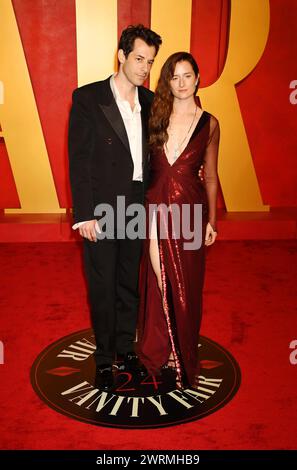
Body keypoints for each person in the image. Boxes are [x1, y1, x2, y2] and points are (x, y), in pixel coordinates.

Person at [68, 25, 162, 391]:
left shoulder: (152, 101)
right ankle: (105, 359)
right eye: (139, 59)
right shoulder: (88, 99)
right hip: (102, 210)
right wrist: (84, 214)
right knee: (103, 285)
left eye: (150, 62)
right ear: (121, 56)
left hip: (137, 205)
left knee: (129, 285)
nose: (144, 68)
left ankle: (127, 350)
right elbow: (79, 160)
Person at [137, 52, 219, 390]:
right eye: (175, 77)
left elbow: (212, 177)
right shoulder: (155, 115)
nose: (182, 83)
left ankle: (181, 349)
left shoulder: (210, 123)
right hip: (155, 205)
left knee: (189, 284)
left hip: (190, 210)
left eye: (188, 76)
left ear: (198, 79)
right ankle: (161, 346)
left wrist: (212, 220)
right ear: (167, 82)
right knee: (161, 275)